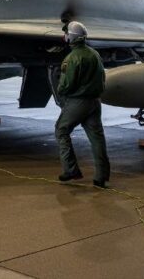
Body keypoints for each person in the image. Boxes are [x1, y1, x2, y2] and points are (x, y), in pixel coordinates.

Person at [55, 21, 111, 188]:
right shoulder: (94, 54)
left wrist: (60, 89)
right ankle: (101, 177)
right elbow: (102, 78)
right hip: (95, 102)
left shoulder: (71, 58)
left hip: (78, 102)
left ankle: (71, 170)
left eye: (67, 34)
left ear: (71, 38)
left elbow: (66, 85)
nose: (65, 36)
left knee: (61, 130)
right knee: (97, 139)